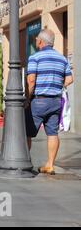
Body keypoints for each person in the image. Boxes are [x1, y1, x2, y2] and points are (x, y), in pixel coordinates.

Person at [25, 29, 73, 175]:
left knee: (27, 132)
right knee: (52, 133)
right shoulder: (62, 58)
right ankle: (50, 165)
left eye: (36, 40)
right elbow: (70, 79)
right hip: (56, 101)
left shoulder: (35, 57)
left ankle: (25, 162)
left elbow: (31, 80)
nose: (35, 42)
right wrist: (58, 86)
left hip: (39, 101)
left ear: (40, 41)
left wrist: (27, 99)